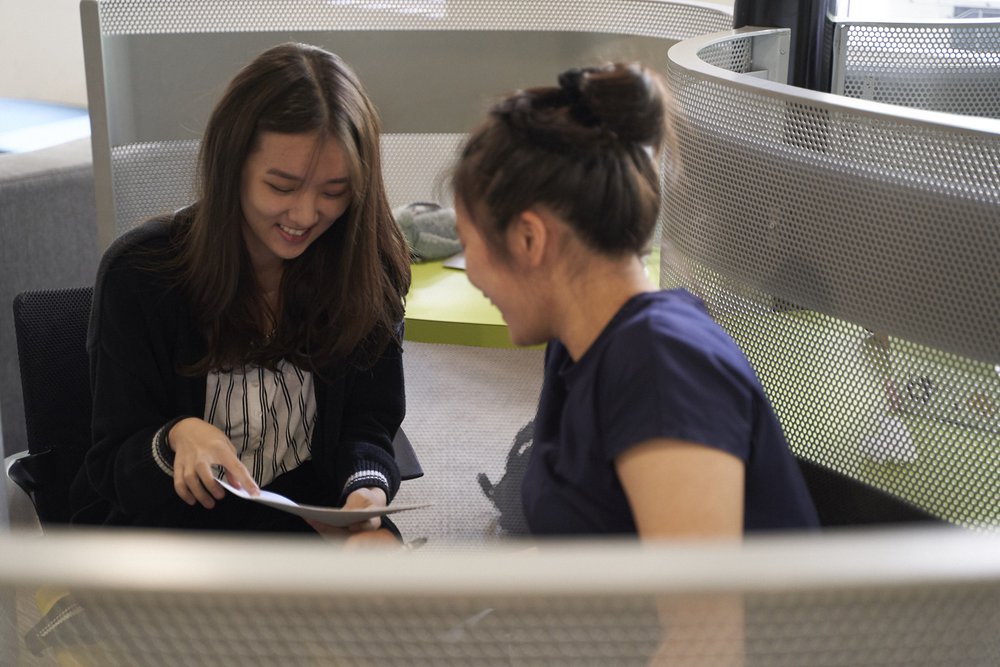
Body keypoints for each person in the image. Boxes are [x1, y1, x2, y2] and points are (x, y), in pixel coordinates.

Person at [451, 63, 819, 541]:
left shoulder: (663, 366)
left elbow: (707, 617)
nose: (472, 272)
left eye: (467, 241)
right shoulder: (578, 343)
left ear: (528, 238)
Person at [70, 43, 411, 542]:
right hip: (164, 528)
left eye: (334, 192)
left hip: (299, 514)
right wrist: (176, 438)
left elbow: (370, 422)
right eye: (281, 186)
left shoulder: (363, 266)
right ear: (231, 167)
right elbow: (112, 465)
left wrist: (366, 491)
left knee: (385, 570)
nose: (304, 215)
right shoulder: (140, 273)